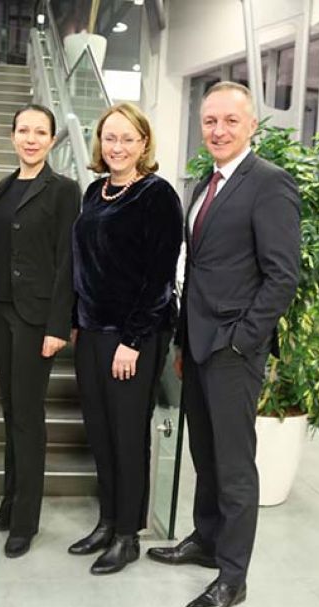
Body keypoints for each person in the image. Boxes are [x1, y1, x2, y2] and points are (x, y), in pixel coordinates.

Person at [147, 81, 301, 607]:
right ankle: (206, 540)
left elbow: (283, 276)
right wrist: (187, 340)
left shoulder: (269, 184)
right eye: (210, 121)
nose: (218, 130)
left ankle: (232, 577)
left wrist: (242, 339)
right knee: (205, 457)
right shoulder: (202, 184)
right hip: (198, 344)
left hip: (234, 349)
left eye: (230, 121)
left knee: (235, 468)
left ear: (251, 126)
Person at [68, 102, 182, 575]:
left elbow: (159, 279)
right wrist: (79, 322)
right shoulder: (95, 192)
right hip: (92, 333)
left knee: (128, 435)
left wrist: (132, 341)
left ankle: (127, 535)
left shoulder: (158, 195)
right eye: (109, 138)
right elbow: (86, 266)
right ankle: (107, 520)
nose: (117, 146)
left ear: (143, 144)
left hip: (134, 336)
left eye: (127, 138)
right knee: (100, 433)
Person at [0, 104, 81, 558]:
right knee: (10, 412)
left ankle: (25, 519)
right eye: (24, 130)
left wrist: (59, 324)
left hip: (36, 318)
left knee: (28, 417)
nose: (31, 138)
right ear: (12, 135)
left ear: (53, 140)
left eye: (41, 132)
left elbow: (67, 261)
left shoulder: (63, 191)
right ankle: (8, 504)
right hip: (0, 313)